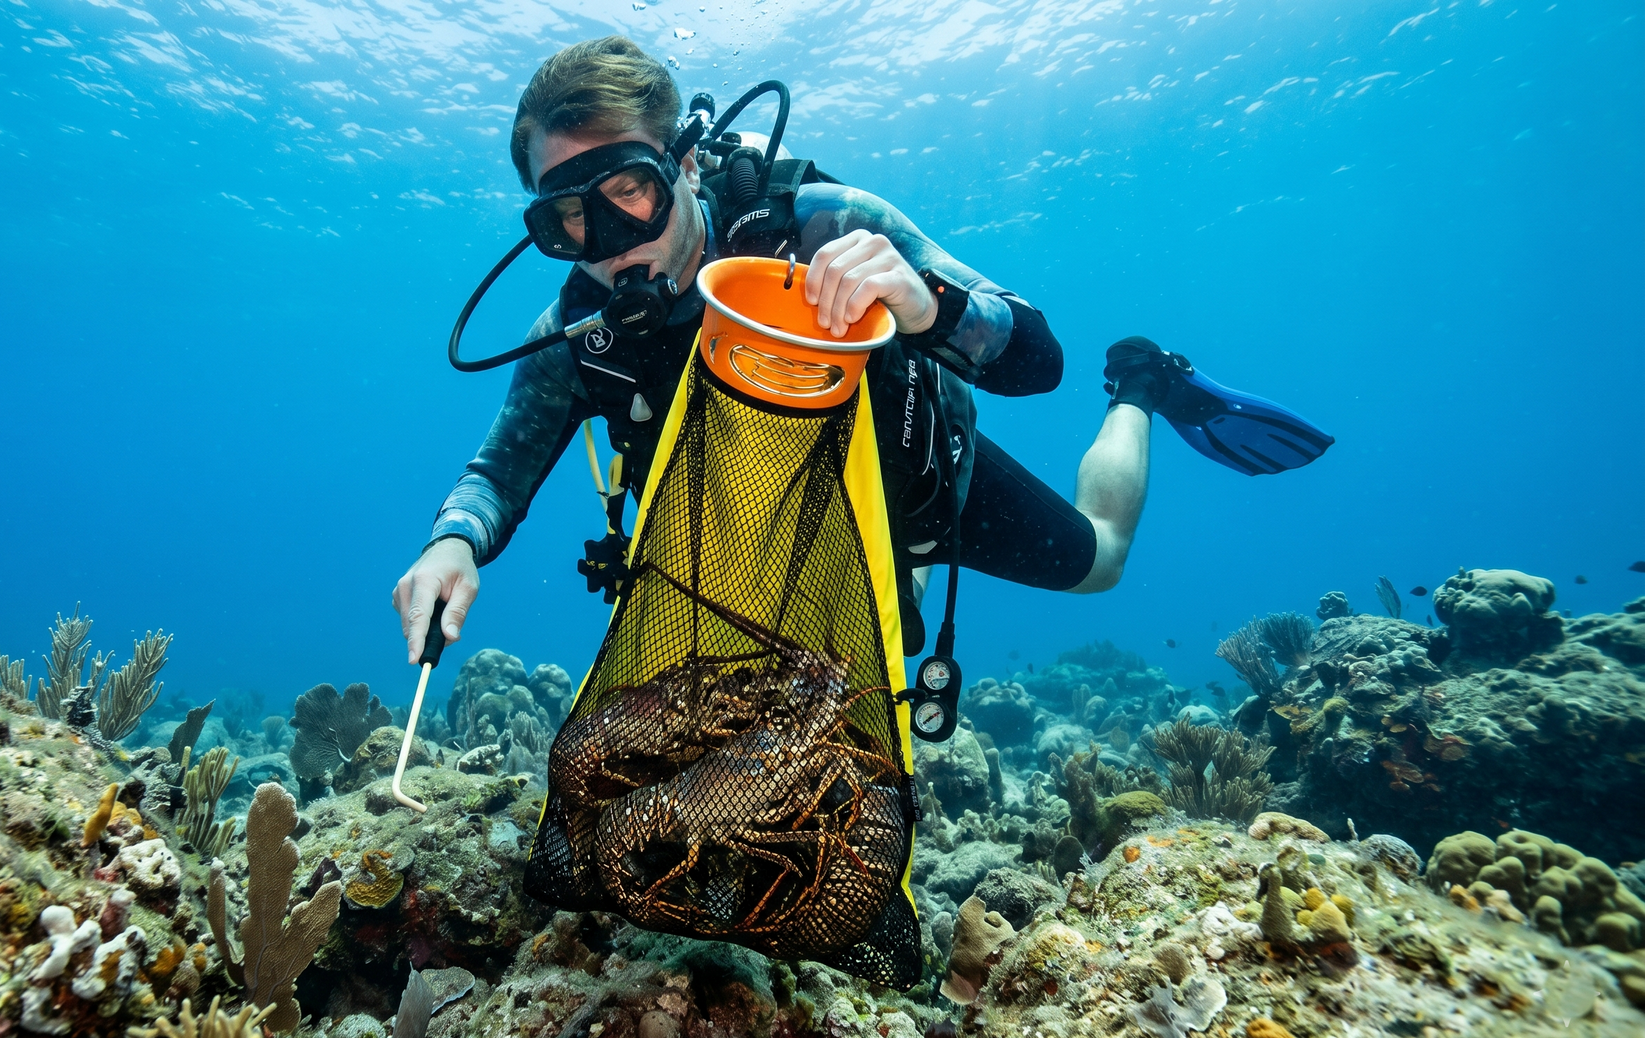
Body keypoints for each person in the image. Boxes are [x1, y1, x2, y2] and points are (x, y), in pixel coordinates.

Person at [394, 36, 1327, 663]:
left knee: (1103, 562)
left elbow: (1035, 362)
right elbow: (499, 470)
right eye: (565, 217)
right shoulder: (576, 336)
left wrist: (926, 307)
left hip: (915, 486)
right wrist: (450, 547)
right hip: (756, 553)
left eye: (626, 191)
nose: (606, 240)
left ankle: (1144, 386)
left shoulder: (822, 224)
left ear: (681, 160)